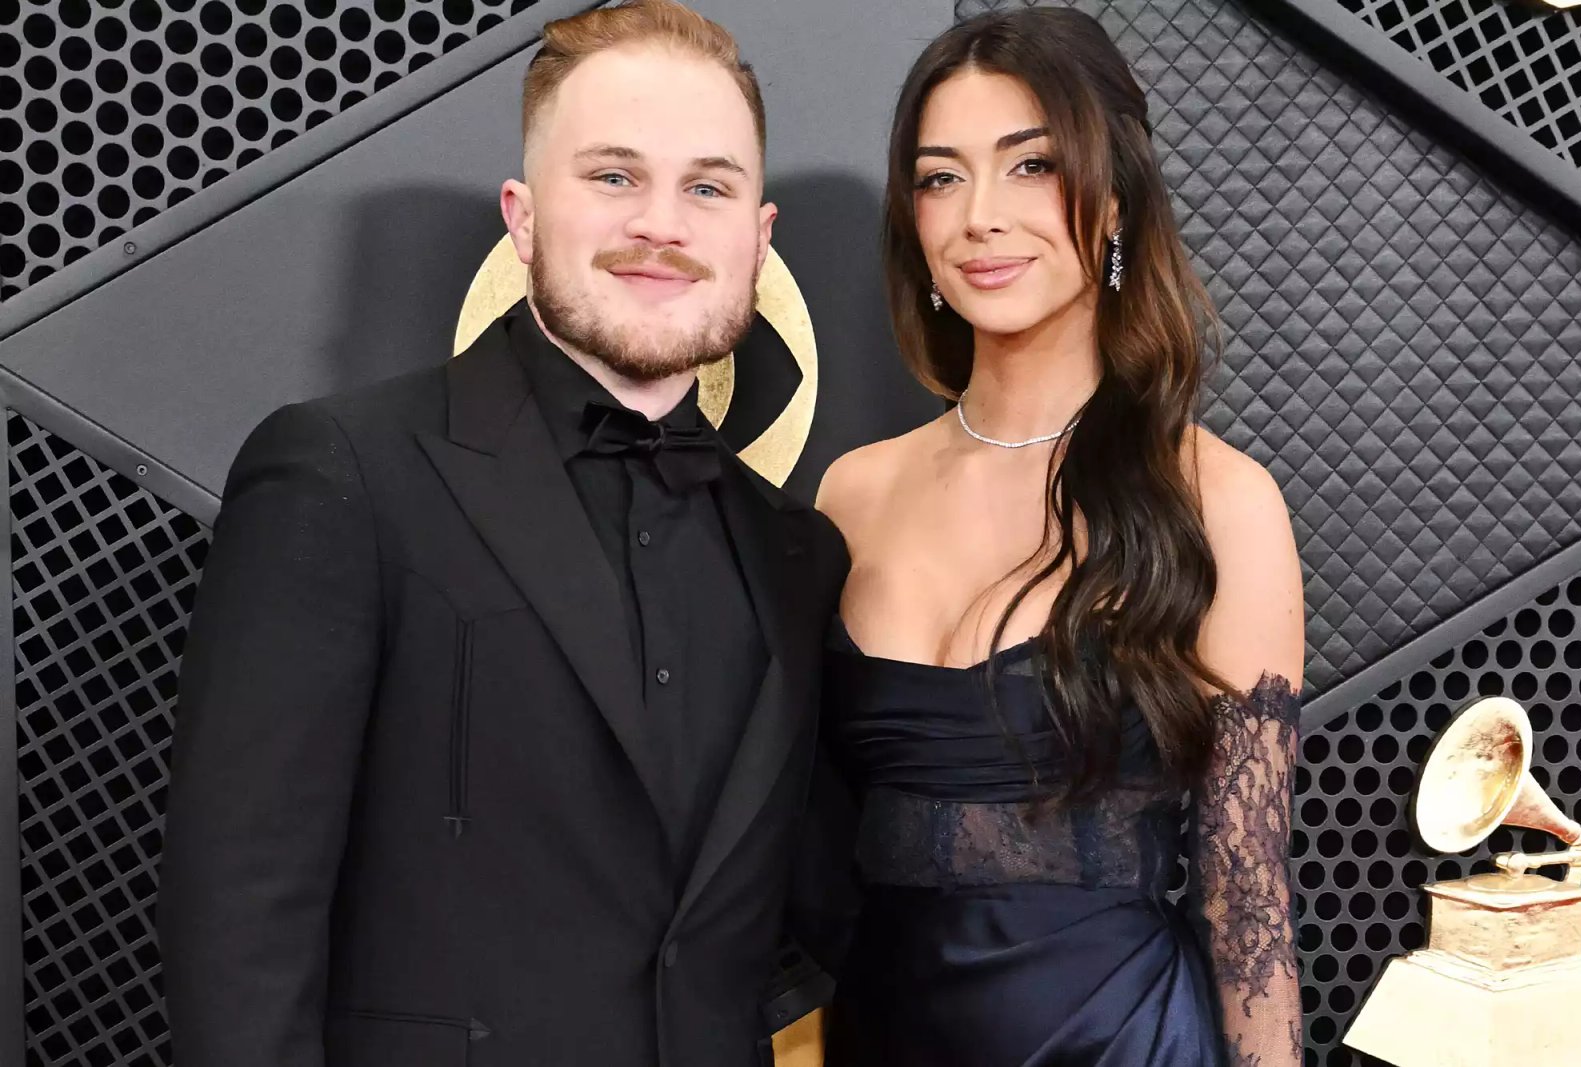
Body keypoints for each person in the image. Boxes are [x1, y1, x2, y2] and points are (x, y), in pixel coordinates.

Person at [159, 3, 845, 1065]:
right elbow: (241, 911)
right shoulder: (342, 473)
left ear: (755, 239)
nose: (661, 223)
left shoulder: (798, 550)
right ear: (522, 218)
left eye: (707, 186)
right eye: (613, 176)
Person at [814, 9, 1304, 1066]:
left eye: (1029, 165)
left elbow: (1247, 892)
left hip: (1117, 1041)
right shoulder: (852, 492)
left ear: (1115, 200)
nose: (979, 216)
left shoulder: (1216, 499)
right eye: (940, 177)